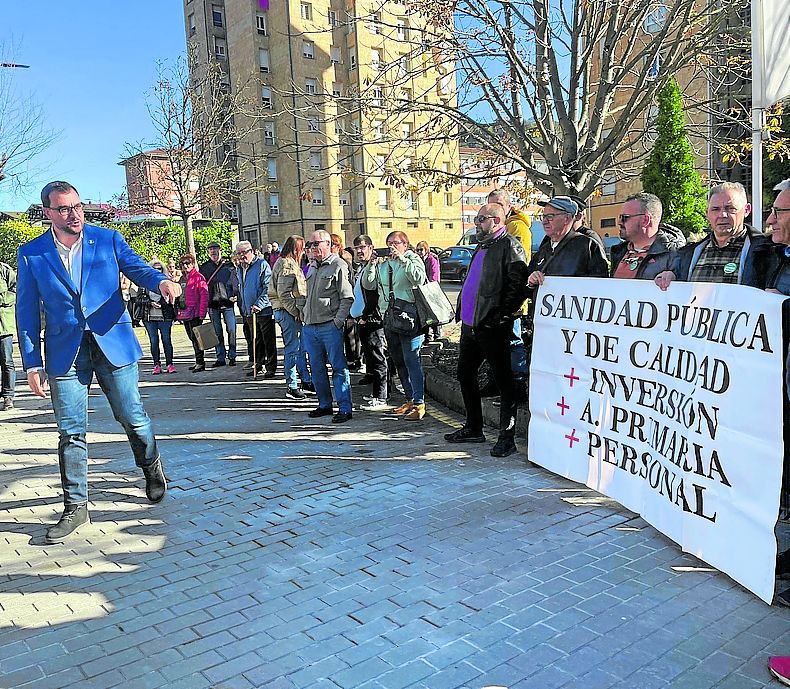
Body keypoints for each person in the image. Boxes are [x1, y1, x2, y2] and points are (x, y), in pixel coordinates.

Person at [15, 180, 180, 543]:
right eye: (63, 209)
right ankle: (76, 506)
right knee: (70, 431)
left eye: (77, 206)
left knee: (131, 417)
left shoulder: (107, 239)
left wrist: (162, 282)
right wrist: (31, 363)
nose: (74, 214)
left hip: (112, 343)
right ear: (47, 213)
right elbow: (26, 312)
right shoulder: (32, 254)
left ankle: (150, 466)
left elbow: (138, 268)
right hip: (65, 351)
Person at [444, 203, 530, 456]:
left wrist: (500, 316)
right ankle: (473, 428)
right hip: (471, 325)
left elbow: (518, 286)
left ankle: (507, 437)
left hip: (492, 327)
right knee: (465, 374)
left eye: (481, 219)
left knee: (505, 382)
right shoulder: (482, 246)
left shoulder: (509, 245)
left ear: (496, 220)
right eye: (476, 218)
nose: (476, 223)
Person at [655, 181, 778, 291]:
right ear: (707, 213)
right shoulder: (688, 254)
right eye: (715, 209)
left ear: (746, 210)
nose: (722, 215)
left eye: (730, 208)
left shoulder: (767, 253)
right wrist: (671, 276)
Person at [362, 230, 428, 421]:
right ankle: (409, 399)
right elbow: (369, 284)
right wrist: (372, 264)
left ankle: (419, 402)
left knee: (411, 360)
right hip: (390, 318)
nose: (392, 246)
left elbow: (418, 279)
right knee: (398, 361)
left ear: (405, 245)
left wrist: (403, 259)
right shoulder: (385, 264)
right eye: (389, 243)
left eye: (396, 243)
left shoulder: (413, 259)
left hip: (410, 319)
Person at [303, 230, 354, 423]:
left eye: (316, 244)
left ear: (328, 244)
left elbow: (347, 297)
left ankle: (345, 408)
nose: (313, 248)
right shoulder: (312, 266)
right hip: (310, 326)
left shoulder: (338, 265)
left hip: (329, 326)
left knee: (338, 368)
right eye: (311, 244)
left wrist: (337, 322)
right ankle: (324, 404)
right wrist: (303, 314)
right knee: (316, 368)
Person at [526, 196, 609, 287]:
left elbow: (601, 287)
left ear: (567, 218)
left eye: (550, 216)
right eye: (544, 216)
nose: (544, 221)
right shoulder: (544, 249)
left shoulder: (587, 246)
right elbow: (526, 290)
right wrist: (531, 282)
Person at [270, 235, 313, 399]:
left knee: (299, 348)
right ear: (296, 249)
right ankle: (292, 385)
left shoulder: (287, 262)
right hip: (287, 312)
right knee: (292, 349)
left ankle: (305, 380)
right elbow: (284, 294)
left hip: (287, 311)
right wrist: (296, 312)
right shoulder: (287, 264)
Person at [610, 193, 686, 279]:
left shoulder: (674, 254)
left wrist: (673, 277)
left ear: (646, 220)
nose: (619, 222)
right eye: (619, 217)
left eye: (625, 217)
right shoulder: (618, 251)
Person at [352, 235, 389, 410]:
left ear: (371, 248)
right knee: (372, 359)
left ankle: (381, 397)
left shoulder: (375, 266)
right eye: (356, 248)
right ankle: (377, 394)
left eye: (362, 247)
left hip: (372, 319)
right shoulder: (362, 267)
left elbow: (374, 295)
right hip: (364, 319)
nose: (359, 251)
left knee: (378, 358)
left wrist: (365, 316)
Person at [235, 240, 277, 377]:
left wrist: (260, 303)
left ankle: (271, 366)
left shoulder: (262, 265)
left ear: (251, 251)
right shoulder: (240, 268)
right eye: (239, 254)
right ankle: (258, 365)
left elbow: (268, 287)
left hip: (263, 310)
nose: (241, 257)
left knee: (267, 340)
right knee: (255, 339)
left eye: (244, 253)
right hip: (248, 310)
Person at [199, 241, 238, 367]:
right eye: (211, 250)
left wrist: (234, 294)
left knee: (231, 330)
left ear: (219, 250)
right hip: (213, 304)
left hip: (228, 303)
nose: (213, 252)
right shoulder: (204, 267)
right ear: (208, 252)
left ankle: (232, 355)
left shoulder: (229, 265)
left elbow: (235, 282)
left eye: (215, 249)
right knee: (217, 332)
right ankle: (220, 357)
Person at [331, 232, 362, 371]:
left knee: (350, 333)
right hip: (335, 305)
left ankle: (354, 359)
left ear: (338, 247)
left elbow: (351, 283)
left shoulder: (343, 262)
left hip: (346, 303)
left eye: (332, 244)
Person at [142, 259, 177, 374]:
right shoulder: (144, 283)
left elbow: (173, 298)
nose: (157, 270)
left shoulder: (167, 281)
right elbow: (138, 299)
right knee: (153, 340)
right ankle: (156, 364)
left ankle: (169, 364)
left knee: (166, 339)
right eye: (154, 268)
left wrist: (161, 304)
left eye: (159, 268)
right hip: (150, 316)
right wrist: (149, 303)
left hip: (165, 315)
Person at [177, 254, 209, 373]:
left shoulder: (198, 277)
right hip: (185, 312)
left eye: (187, 263)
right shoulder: (182, 279)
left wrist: (202, 313)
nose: (185, 266)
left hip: (195, 313)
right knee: (191, 337)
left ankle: (200, 362)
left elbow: (204, 296)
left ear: (193, 264)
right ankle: (198, 361)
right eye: (183, 264)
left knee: (196, 338)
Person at [488, 188, 532, 258]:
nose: (496, 208)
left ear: (509, 206)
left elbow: (519, 259)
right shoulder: (496, 226)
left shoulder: (517, 226)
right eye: (492, 205)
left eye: (499, 204)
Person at [415, 240, 442, 343]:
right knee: (425, 315)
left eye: (421, 249)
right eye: (417, 250)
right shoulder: (418, 260)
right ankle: (427, 336)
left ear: (426, 250)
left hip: (432, 290)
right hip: (422, 290)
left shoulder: (432, 259)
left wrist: (429, 285)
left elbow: (434, 275)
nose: (419, 252)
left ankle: (437, 334)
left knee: (434, 312)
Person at [0, 260, 16, 411]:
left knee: (7, 362)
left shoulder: (4, 270)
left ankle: (8, 396)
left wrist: (3, 299)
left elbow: (17, 288)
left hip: (4, 326)